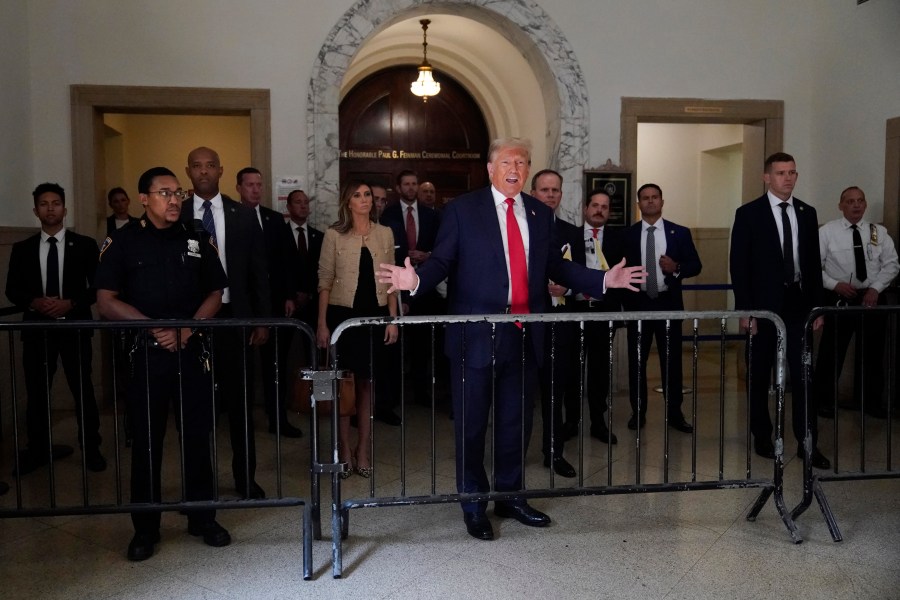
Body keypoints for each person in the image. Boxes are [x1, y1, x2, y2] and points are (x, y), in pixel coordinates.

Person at [377, 138, 646, 541]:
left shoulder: (539, 213)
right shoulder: (463, 210)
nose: (514, 167)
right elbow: (443, 261)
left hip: (523, 332)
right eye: (507, 161)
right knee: (471, 425)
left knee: (516, 422)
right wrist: (414, 280)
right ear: (491, 168)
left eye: (522, 161)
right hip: (475, 335)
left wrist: (604, 279)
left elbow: (556, 265)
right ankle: (473, 502)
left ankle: (510, 495)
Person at [95, 166, 231, 561]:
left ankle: (203, 518)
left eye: (178, 193)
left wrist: (188, 328)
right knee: (147, 444)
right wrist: (155, 328)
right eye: (164, 193)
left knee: (197, 438)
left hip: (191, 353)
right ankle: (146, 528)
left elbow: (215, 291)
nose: (174, 200)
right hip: (147, 356)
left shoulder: (197, 237)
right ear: (144, 198)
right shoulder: (122, 241)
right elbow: (106, 301)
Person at [729, 152, 830, 469]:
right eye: (781, 173)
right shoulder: (749, 214)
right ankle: (762, 435)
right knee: (759, 372)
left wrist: (818, 308)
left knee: (803, 373)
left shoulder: (806, 212)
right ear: (767, 177)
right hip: (762, 306)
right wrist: (746, 311)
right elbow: (739, 265)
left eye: (792, 172)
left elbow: (813, 264)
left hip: (799, 303)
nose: (788, 178)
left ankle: (807, 441)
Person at [181, 147, 271, 499]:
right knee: (196, 405)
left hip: (235, 321)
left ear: (220, 170)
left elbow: (258, 272)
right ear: (188, 171)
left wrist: (261, 320)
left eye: (210, 166)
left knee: (240, 404)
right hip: (193, 322)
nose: (203, 172)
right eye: (197, 166)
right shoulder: (179, 213)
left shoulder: (242, 215)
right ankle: (198, 484)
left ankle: (244, 478)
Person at [5, 182, 106, 476]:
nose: (51, 208)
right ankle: (38, 449)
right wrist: (34, 301)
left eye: (56, 203)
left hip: (74, 328)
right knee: (37, 392)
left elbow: (98, 285)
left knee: (83, 390)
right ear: (36, 211)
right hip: (37, 330)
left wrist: (71, 304)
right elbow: (13, 289)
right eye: (44, 204)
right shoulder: (22, 249)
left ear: (65, 208)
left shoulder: (85, 245)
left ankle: (92, 448)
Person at [317, 180, 400, 478]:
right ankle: (342, 447)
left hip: (375, 317)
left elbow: (392, 280)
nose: (365, 200)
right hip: (342, 317)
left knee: (366, 387)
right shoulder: (334, 235)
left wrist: (392, 320)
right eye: (358, 195)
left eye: (368, 194)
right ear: (347, 202)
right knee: (344, 387)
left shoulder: (385, 234)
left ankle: (363, 449)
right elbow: (324, 281)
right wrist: (322, 324)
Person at [621, 184, 699, 433]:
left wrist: (675, 267)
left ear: (662, 201)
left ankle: (675, 413)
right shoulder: (628, 235)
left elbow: (696, 265)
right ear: (639, 204)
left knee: (672, 362)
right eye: (645, 198)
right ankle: (638, 412)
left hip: (668, 304)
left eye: (655, 197)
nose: (651, 202)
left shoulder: (680, 233)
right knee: (637, 362)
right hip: (639, 304)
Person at [815, 186, 898, 419]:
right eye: (850, 201)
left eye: (860, 200)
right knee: (832, 351)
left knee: (873, 351)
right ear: (841, 205)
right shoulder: (827, 232)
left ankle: (870, 402)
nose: (856, 205)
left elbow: (892, 264)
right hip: (840, 297)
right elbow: (813, 267)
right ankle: (823, 400)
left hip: (871, 297)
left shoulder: (878, 232)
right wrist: (834, 285)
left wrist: (876, 288)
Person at [235, 167, 303, 438]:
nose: (255, 189)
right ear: (239, 187)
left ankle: (277, 418)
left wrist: (288, 295)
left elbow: (287, 260)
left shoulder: (274, 220)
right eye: (249, 184)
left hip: (274, 302)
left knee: (275, 363)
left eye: (259, 184)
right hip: (240, 304)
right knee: (239, 365)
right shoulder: (230, 217)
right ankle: (239, 420)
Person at [529, 169, 580, 478]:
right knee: (519, 393)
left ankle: (553, 451)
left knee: (553, 392)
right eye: (544, 190)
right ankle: (512, 452)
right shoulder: (520, 227)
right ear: (533, 193)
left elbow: (581, 273)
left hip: (558, 325)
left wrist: (568, 288)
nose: (550, 195)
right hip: (524, 323)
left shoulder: (571, 232)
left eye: (555, 190)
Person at [380, 170, 443, 416]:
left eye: (414, 184)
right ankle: (393, 397)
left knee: (423, 344)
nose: (411, 188)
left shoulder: (431, 215)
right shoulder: (389, 215)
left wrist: (427, 256)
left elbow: (442, 246)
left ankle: (422, 392)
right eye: (406, 184)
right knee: (397, 345)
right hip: (397, 286)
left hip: (425, 285)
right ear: (398, 188)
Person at [573, 188, 624, 444]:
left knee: (600, 370)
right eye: (595, 205)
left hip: (604, 313)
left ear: (609, 212)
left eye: (604, 207)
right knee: (573, 369)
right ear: (586, 208)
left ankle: (598, 422)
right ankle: (570, 421)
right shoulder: (571, 236)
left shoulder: (618, 239)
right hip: (574, 312)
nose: (599, 210)